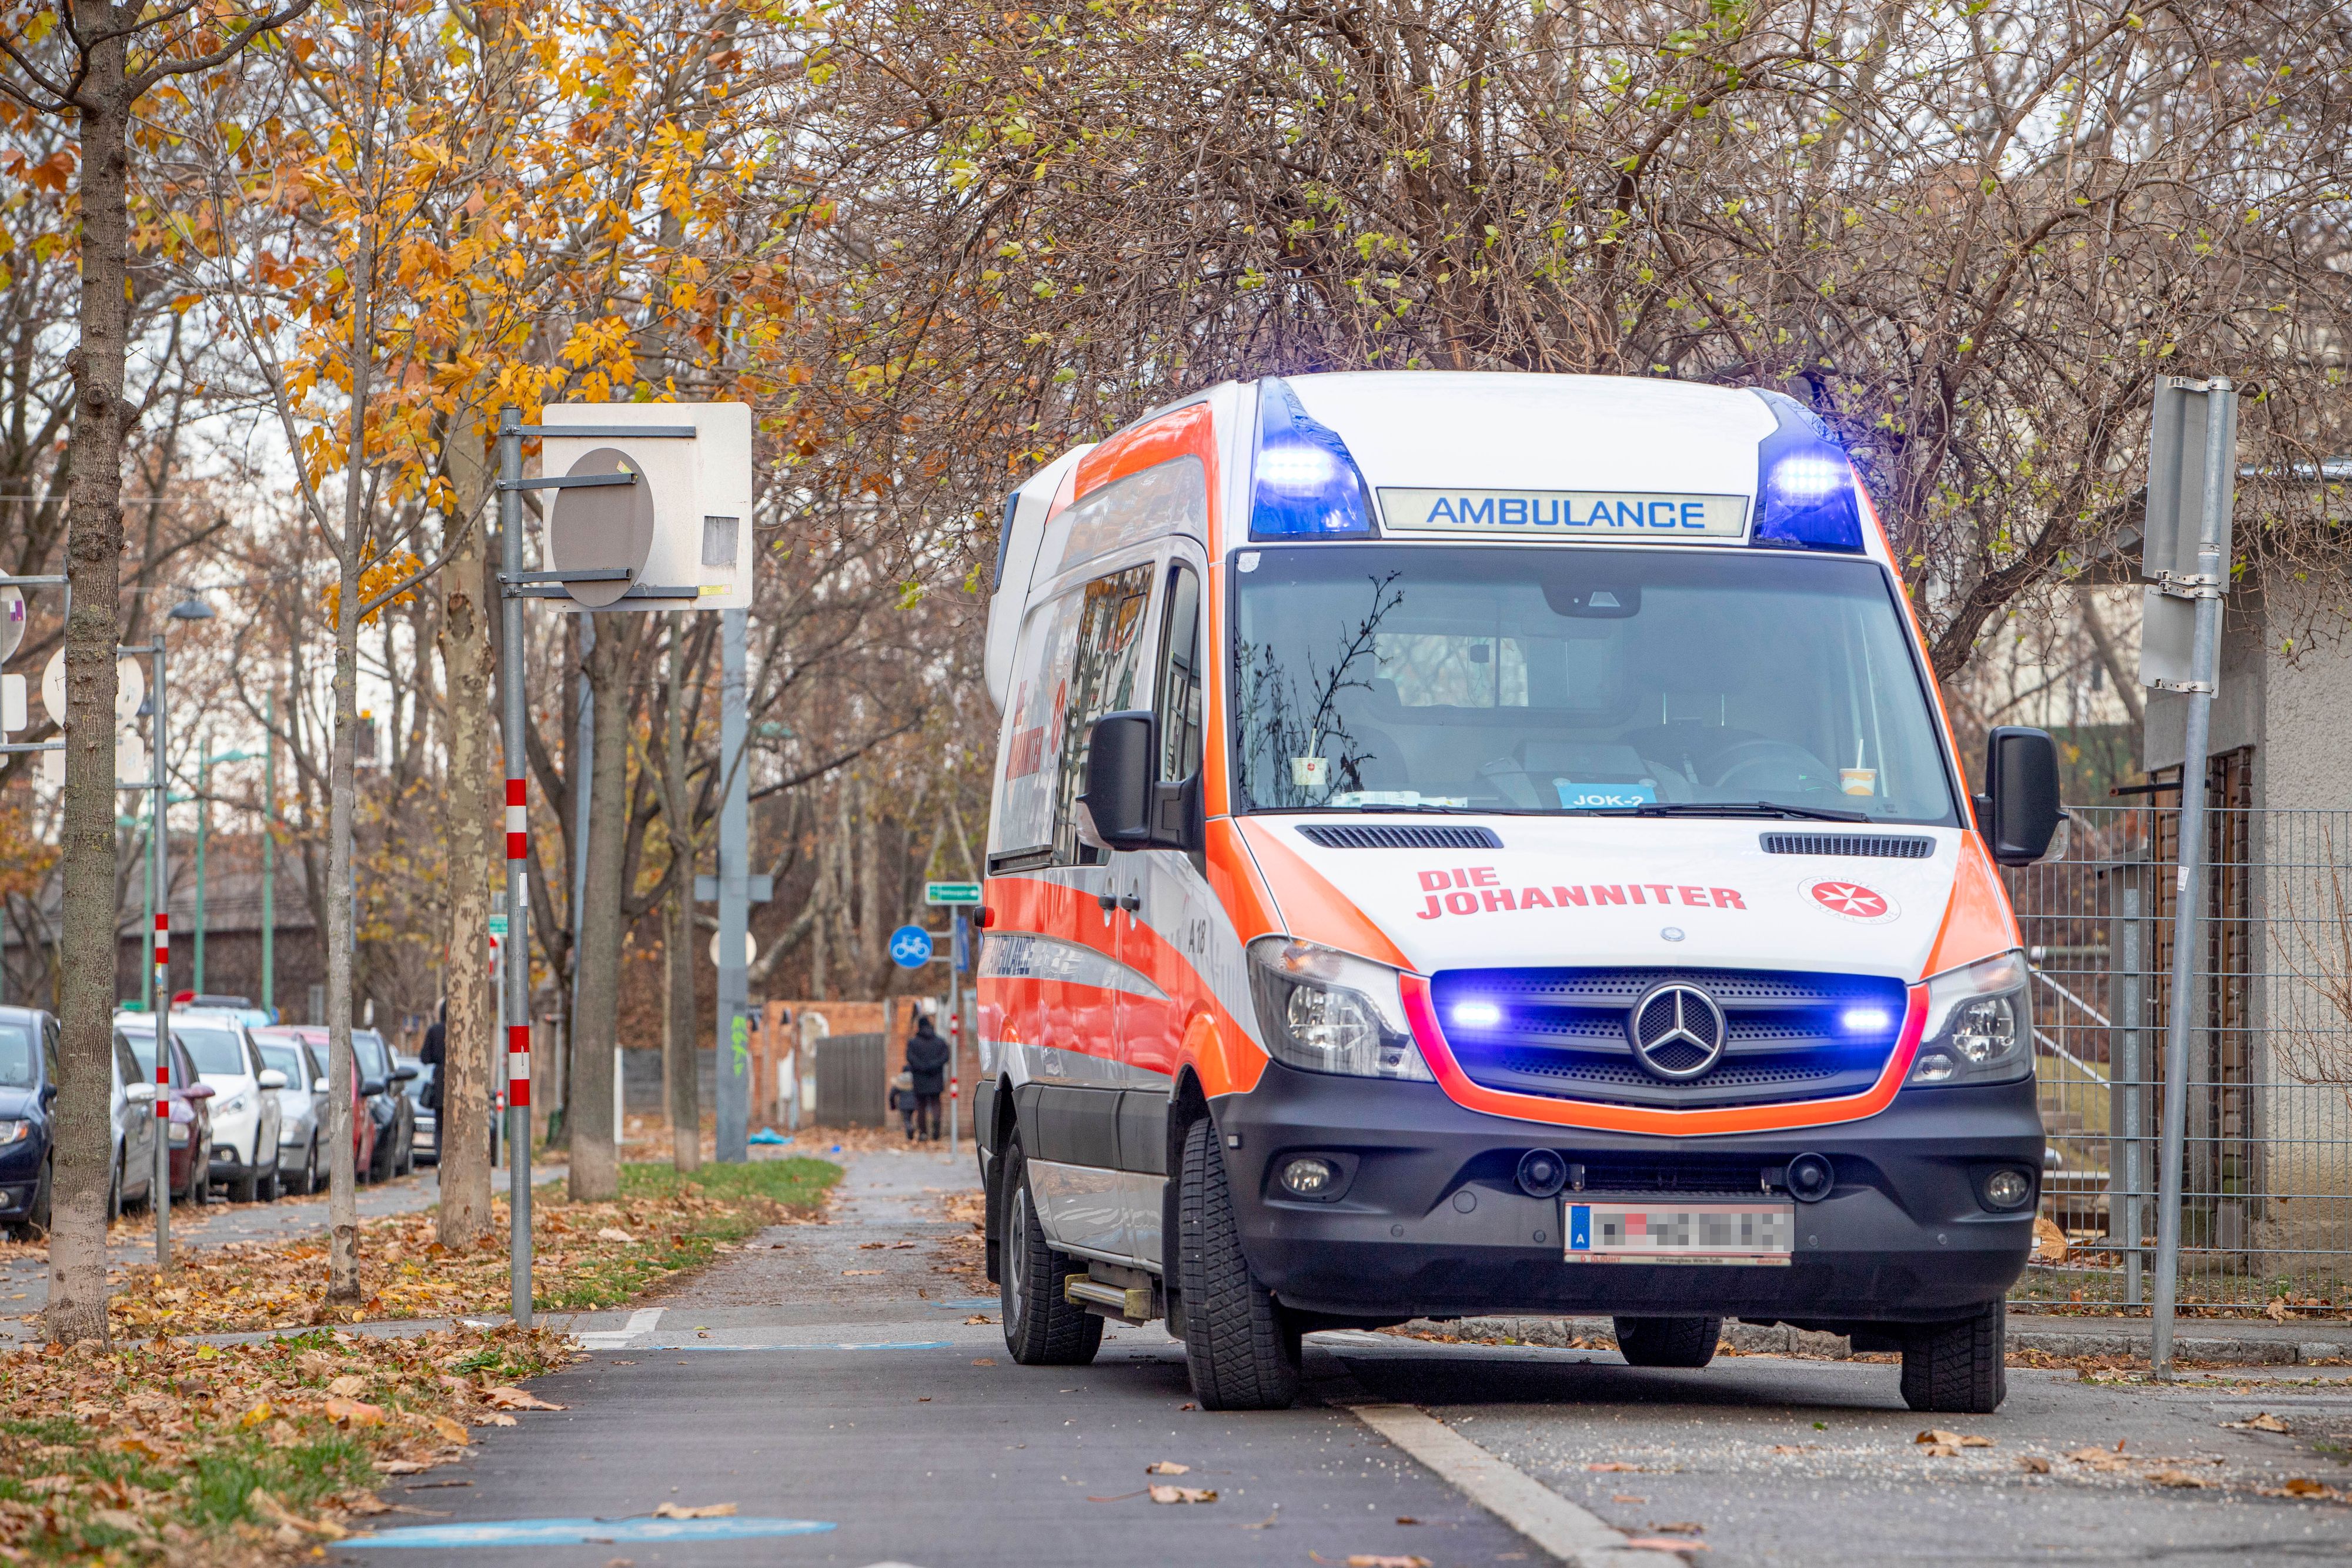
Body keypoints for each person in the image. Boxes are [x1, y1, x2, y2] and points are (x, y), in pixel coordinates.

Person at [904, 1012, 950, 1142]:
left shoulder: (913, 1043)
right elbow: (945, 1057)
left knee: (921, 1106)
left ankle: (923, 1133)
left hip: (920, 1078)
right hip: (936, 1077)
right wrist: (933, 1066)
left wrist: (922, 1067)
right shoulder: (940, 1042)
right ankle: (936, 1129)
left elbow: (910, 1057)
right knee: (936, 1103)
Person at [890, 1071, 917, 1141]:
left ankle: (910, 1130)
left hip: (903, 1105)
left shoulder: (900, 1083)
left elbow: (892, 1095)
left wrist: (893, 1106)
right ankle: (911, 1131)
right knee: (911, 1118)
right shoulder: (915, 1081)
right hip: (914, 1104)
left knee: (907, 1120)